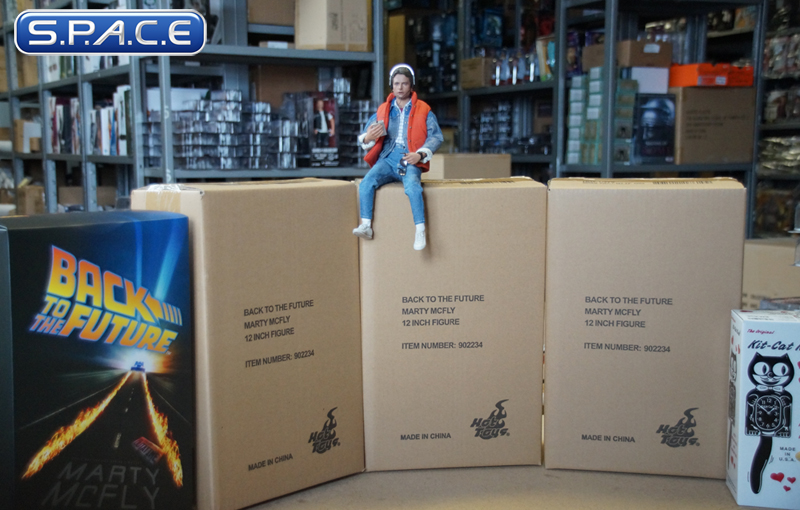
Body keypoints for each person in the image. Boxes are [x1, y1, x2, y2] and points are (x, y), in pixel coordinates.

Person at [353, 64, 444, 250]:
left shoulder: (424, 110)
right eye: (396, 84)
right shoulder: (384, 110)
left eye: (404, 83)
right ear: (391, 86)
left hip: (409, 157)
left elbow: (435, 137)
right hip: (388, 157)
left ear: (411, 86)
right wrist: (368, 137)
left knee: (413, 187)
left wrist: (420, 154)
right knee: (366, 183)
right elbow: (366, 134)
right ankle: (366, 224)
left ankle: (420, 229)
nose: (400, 87)